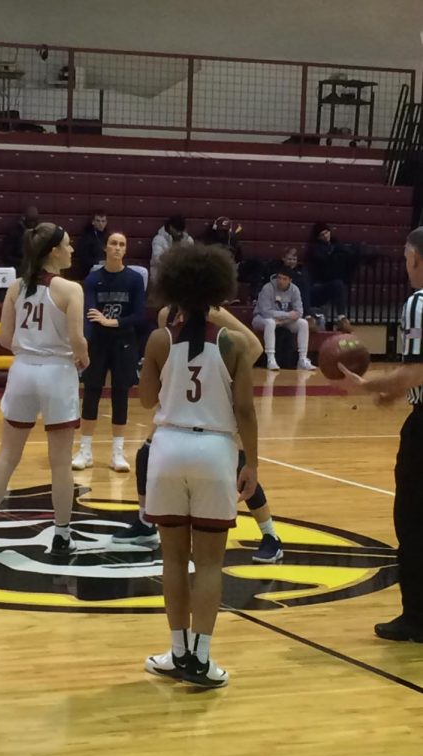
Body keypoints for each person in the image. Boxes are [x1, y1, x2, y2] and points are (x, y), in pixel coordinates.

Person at [139, 242, 258, 688]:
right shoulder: (234, 343)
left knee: (172, 559)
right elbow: (245, 411)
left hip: (168, 448)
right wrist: (254, 463)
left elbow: (148, 399)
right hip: (215, 450)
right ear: (218, 292)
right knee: (209, 564)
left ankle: (176, 651)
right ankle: (202, 659)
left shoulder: (158, 339)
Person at [113, 303, 284, 563]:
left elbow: (254, 347)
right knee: (145, 454)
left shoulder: (214, 313)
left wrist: (222, 372)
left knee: (239, 465)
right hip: (180, 406)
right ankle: (146, 522)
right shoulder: (165, 315)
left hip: (217, 401)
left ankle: (270, 534)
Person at [0, 223, 89, 557]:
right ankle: (62, 535)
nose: (72, 250)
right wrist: (83, 355)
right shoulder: (70, 290)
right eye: (67, 245)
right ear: (53, 251)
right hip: (57, 371)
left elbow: (4, 339)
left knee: (7, 456)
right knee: (60, 462)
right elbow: (78, 339)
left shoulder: (16, 287)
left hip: (22, 370)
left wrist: (30, 348)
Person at [339, 226, 423, 642]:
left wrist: (368, 384)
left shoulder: (419, 303)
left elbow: (415, 370)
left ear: (416, 258)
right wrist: (400, 390)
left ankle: (416, 617)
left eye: (408, 257)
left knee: (411, 518)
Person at [72, 232, 146, 473]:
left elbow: (140, 316)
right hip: (98, 343)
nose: (117, 247)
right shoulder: (93, 279)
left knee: (120, 394)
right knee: (92, 392)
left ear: (125, 250)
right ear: (106, 248)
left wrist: (112, 322)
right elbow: (91, 313)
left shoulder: (135, 279)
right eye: (113, 243)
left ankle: (117, 452)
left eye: (122, 244)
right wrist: (85, 343)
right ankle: (85, 450)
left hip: (124, 343)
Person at [252, 266, 316, 371]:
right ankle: (271, 359)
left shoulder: (295, 289)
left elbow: (299, 312)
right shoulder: (268, 288)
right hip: (260, 319)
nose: (281, 281)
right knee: (270, 323)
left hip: (282, 320)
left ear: (290, 280)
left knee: (303, 323)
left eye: (284, 279)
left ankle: (302, 359)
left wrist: (283, 320)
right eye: (279, 278)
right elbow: (265, 312)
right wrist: (286, 315)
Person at [306, 223, 352, 332]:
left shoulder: (337, 246)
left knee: (338, 284)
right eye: (322, 235)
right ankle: (308, 317)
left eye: (326, 233)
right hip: (313, 288)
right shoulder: (314, 249)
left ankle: (341, 318)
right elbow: (322, 263)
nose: (325, 236)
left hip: (325, 285)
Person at [2, 206, 39, 271]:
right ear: (24, 219)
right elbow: (7, 256)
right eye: (30, 221)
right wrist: (24, 262)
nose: (32, 224)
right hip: (18, 266)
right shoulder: (14, 232)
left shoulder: (39, 231)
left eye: (34, 221)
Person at [73, 210, 108, 278]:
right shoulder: (86, 237)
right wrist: (99, 262)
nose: (101, 224)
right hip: (91, 270)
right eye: (98, 221)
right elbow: (83, 259)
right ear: (93, 222)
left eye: (103, 221)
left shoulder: (109, 236)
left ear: (106, 223)